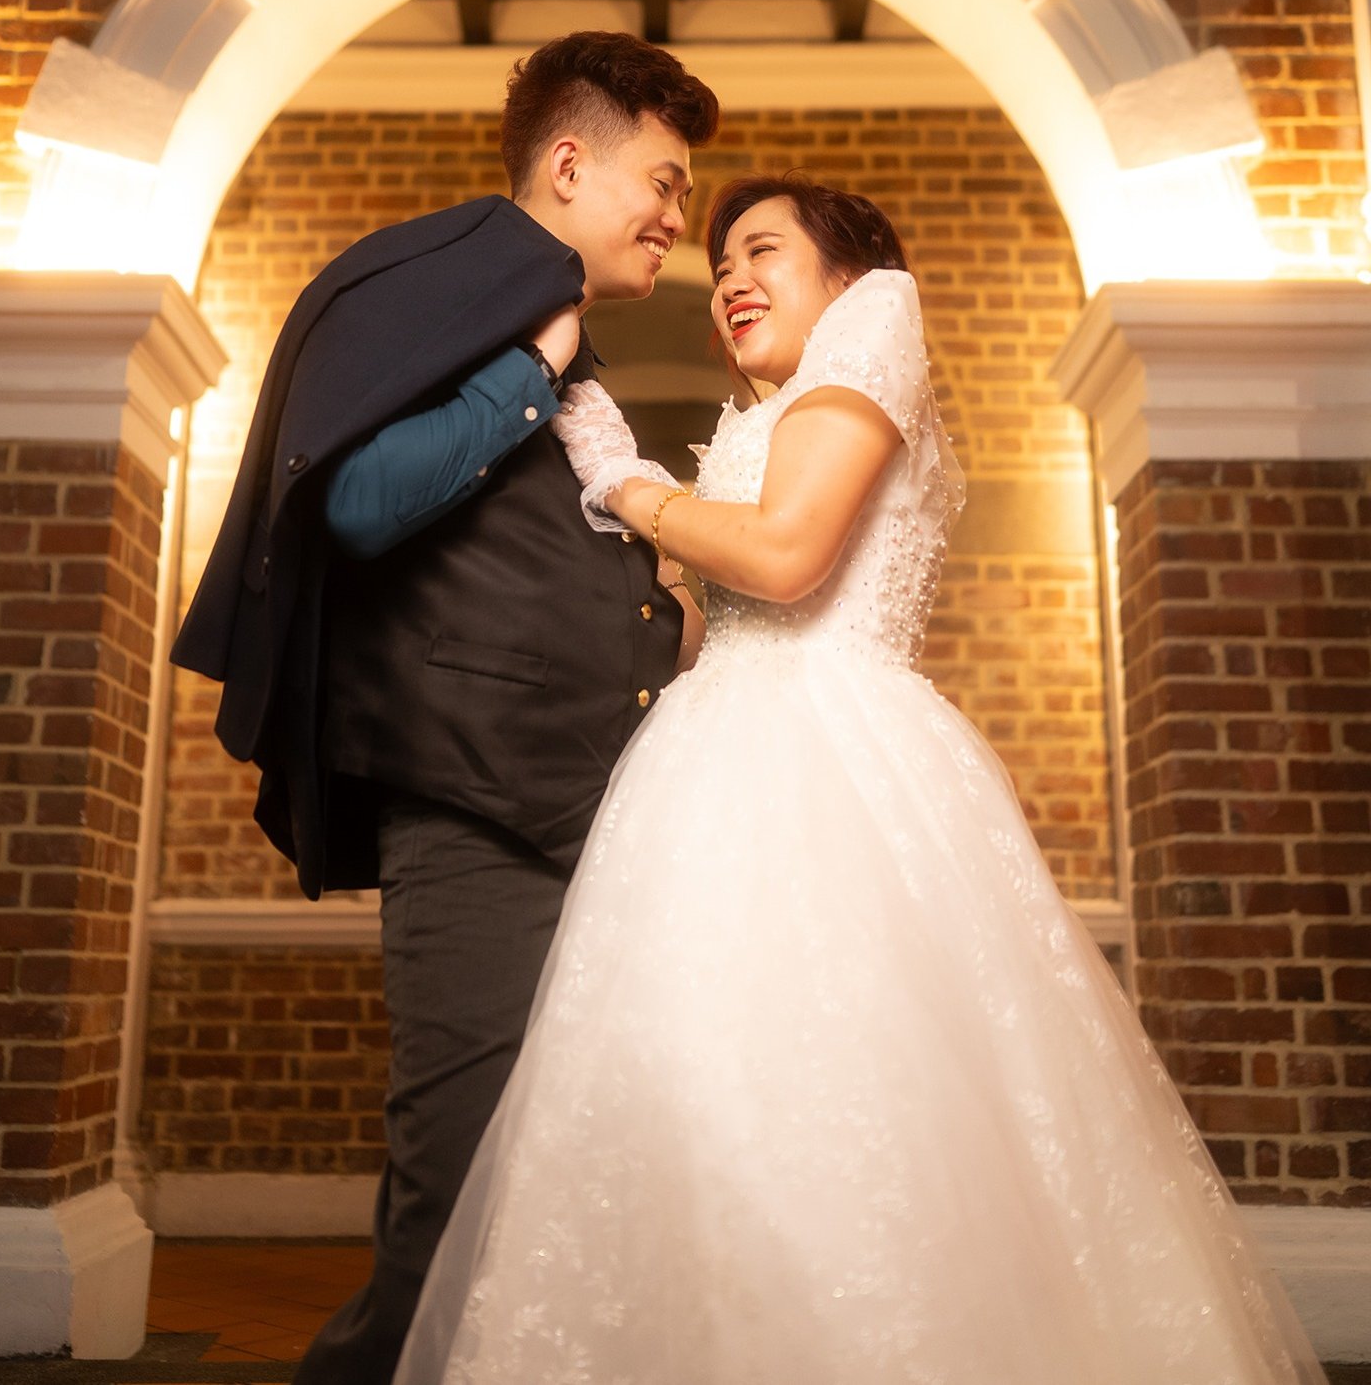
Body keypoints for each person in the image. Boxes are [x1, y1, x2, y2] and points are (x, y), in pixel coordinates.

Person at [391, 173, 1328, 1385]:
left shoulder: (861, 365)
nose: (729, 277)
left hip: (825, 768)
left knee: (838, 1086)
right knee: (700, 1092)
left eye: (761, 251)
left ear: (846, 278)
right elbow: (708, 620)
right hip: (711, 759)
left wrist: (630, 487)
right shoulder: (763, 420)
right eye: (720, 260)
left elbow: (783, 560)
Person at [171, 32, 719, 1385]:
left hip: (598, 825)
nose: (676, 217)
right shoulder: (464, 292)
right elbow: (353, 504)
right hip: (484, 820)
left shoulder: (547, 332)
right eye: (663, 179)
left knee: (568, 1203)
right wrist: (525, 365)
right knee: (457, 1209)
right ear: (570, 160)